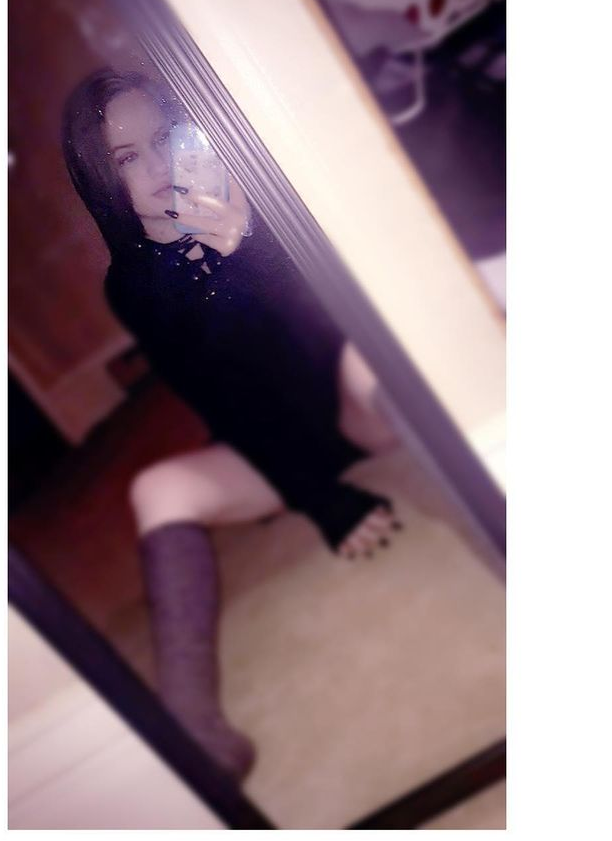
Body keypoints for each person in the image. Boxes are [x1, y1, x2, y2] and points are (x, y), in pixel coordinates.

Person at [62, 68, 403, 782]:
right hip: (276, 446)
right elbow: (223, 404)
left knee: (372, 361)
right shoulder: (131, 285)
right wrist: (319, 499)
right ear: (101, 180)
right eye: (128, 157)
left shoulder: (251, 206)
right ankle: (195, 738)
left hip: (347, 404)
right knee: (158, 490)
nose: (158, 166)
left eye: (164, 139)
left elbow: (330, 332)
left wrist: (251, 247)